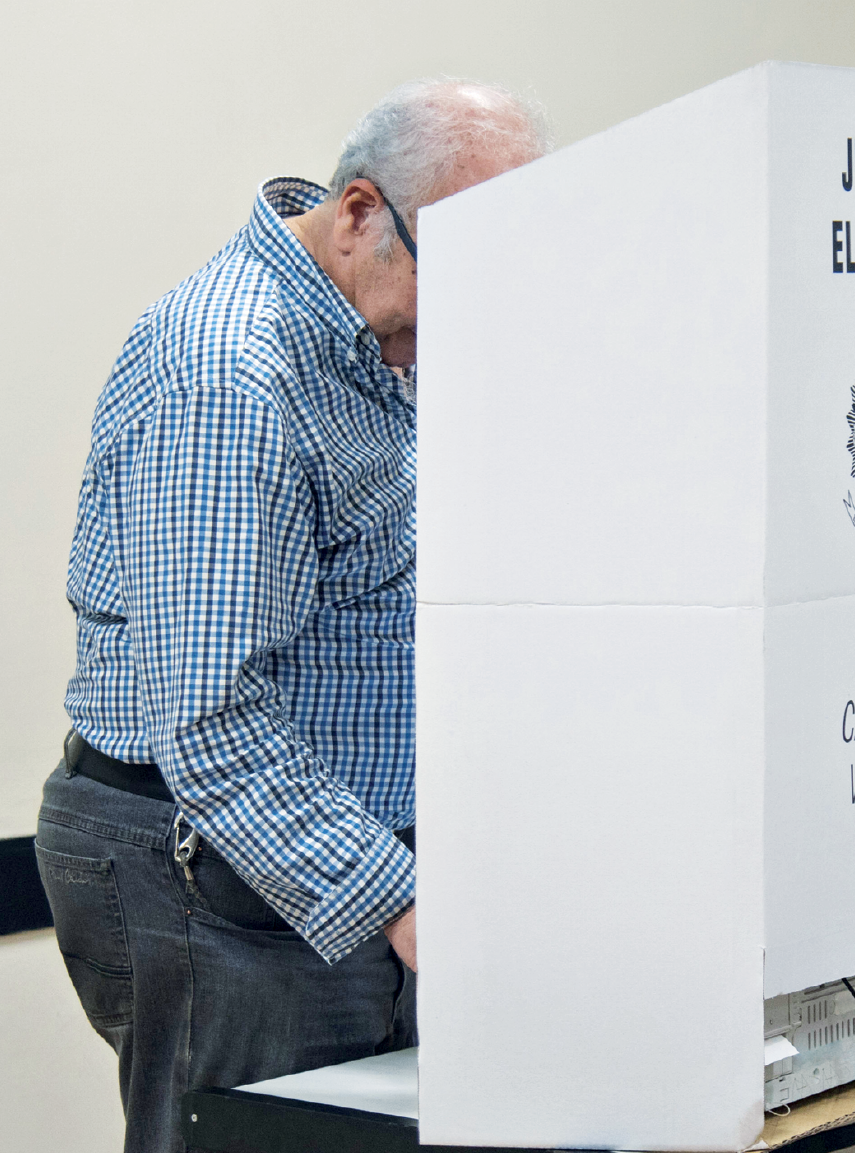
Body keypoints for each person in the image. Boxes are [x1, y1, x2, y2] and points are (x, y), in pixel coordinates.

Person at [35, 78, 550, 1153]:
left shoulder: (375, 328)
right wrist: (406, 905)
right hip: (205, 873)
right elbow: (213, 720)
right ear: (361, 212)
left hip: (327, 854)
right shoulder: (230, 380)